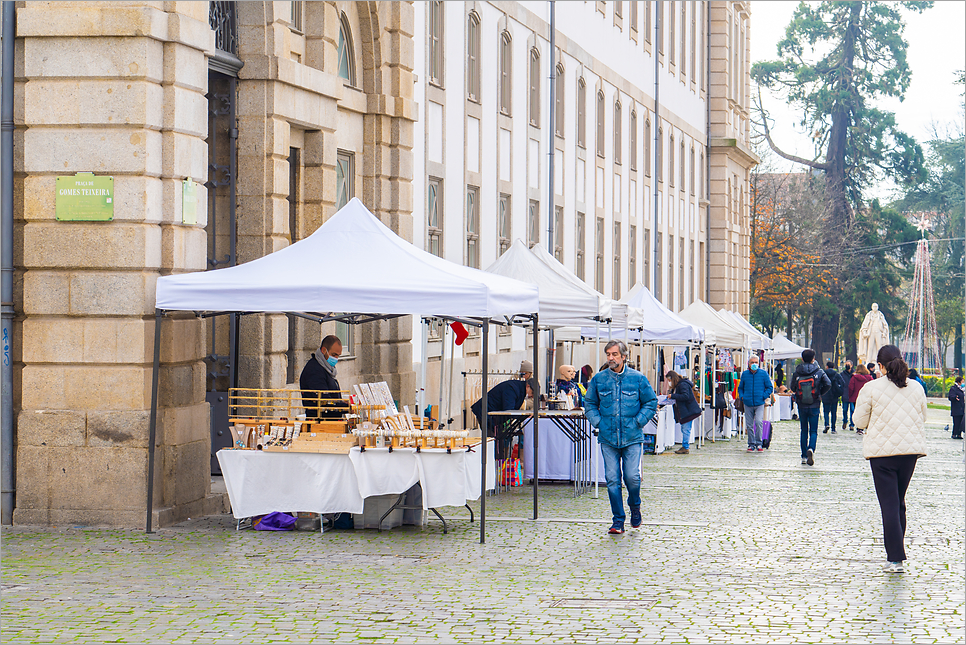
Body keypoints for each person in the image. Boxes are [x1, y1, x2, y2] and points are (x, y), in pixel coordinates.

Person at [852, 345, 927, 573]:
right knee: (899, 503)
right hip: (909, 452)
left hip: (882, 454)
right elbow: (923, 416)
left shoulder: (871, 388)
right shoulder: (915, 387)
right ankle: (896, 554)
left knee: (890, 506)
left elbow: (859, 421)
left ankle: (895, 558)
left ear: (881, 365)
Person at [584, 340, 658, 535]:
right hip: (608, 438)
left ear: (624, 356)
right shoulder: (599, 380)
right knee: (612, 479)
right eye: (608, 354)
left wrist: (638, 422)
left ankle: (635, 506)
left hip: (632, 437)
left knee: (632, 477)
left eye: (615, 354)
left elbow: (651, 402)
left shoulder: (638, 379)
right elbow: (589, 403)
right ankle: (618, 520)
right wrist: (598, 422)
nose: (611, 358)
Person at [471, 377, 537, 459]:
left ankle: (498, 464)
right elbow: (509, 410)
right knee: (493, 442)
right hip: (486, 413)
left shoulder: (518, 389)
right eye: (533, 392)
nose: (532, 396)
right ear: (528, 386)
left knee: (498, 442)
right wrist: (525, 416)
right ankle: (494, 465)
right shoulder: (513, 389)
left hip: (493, 416)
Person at [790, 349, 831, 466]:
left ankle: (803, 456)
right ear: (814, 359)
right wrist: (819, 393)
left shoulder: (797, 372)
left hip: (801, 404)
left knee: (804, 430)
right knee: (813, 430)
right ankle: (811, 449)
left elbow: (792, 386)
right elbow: (828, 384)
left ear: (802, 359)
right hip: (814, 404)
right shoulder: (819, 371)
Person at [299, 335, 349, 419]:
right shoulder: (314, 369)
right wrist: (345, 406)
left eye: (338, 356)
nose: (336, 359)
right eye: (334, 355)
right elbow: (324, 399)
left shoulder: (326, 368)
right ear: (324, 350)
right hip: (320, 421)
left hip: (330, 420)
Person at [737, 355, 774, 452]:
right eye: (752, 362)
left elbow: (769, 387)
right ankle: (751, 444)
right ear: (748, 364)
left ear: (759, 363)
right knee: (749, 424)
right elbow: (740, 387)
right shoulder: (745, 374)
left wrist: (764, 395)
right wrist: (742, 396)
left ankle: (759, 443)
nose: (754, 364)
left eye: (756, 362)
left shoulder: (763, 374)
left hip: (759, 402)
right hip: (747, 402)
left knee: (758, 422)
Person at [665, 370, 702, 455]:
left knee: (686, 429)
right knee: (685, 429)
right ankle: (685, 446)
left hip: (688, 411)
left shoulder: (682, 385)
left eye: (669, 381)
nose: (669, 383)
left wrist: (673, 396)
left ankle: (685, 447)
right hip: (686, 410)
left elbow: (685, 396)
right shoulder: (681, 384)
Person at [848, 364, 874, 435]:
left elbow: (851, 387)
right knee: (866, 412)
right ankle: (864, 427)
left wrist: (850, 396)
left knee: (856, 411)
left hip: (855, 397)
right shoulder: (869, 378)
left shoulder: (854, 377)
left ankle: (856, 426)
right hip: (867, 397)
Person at [822, 360, 845, 434]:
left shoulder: (823, 374)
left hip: (825, 394)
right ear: (834, 367)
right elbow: (843, 383)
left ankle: (826, 424)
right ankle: (833, 428)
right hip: (834, 395)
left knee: (826, 411)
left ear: (827, 366)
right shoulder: (837, 374)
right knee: (834, 412)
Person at [948, 376, 964, 440]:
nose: (963, 383)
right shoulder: (953, 388)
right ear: (959, 382)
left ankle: (959, 434)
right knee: (956, 422)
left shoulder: (962, 389)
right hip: (956, 408)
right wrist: (955, 397)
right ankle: (954, 434)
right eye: (962, 382)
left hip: (962, 408)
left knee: (961, 422)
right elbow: (950, 396)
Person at [840, 361, 855, 431]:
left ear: (851, 365)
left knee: (852, 410)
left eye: (848, 364)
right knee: (845, 410)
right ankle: (845, 421)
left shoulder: (854, 374)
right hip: (845, 394)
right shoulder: (842, 374)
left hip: (852, 395)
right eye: (846, 364)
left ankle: (852, 424)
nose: (847, 366)